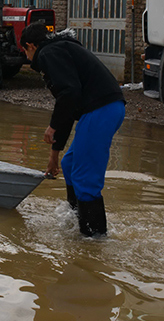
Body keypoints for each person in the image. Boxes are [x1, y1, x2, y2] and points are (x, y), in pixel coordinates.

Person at [20, 21, 125, 236]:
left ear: (30, 45)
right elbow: (68, 106)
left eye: (24, 50)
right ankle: (76, 222)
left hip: (101, 109)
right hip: (100, 109)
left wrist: (52, 126)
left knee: (85, 178)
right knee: (69, 165)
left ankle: (93, 241)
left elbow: (68, 93)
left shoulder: (49, 53)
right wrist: (54, 157)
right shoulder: (59, 48)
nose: (27, 56)